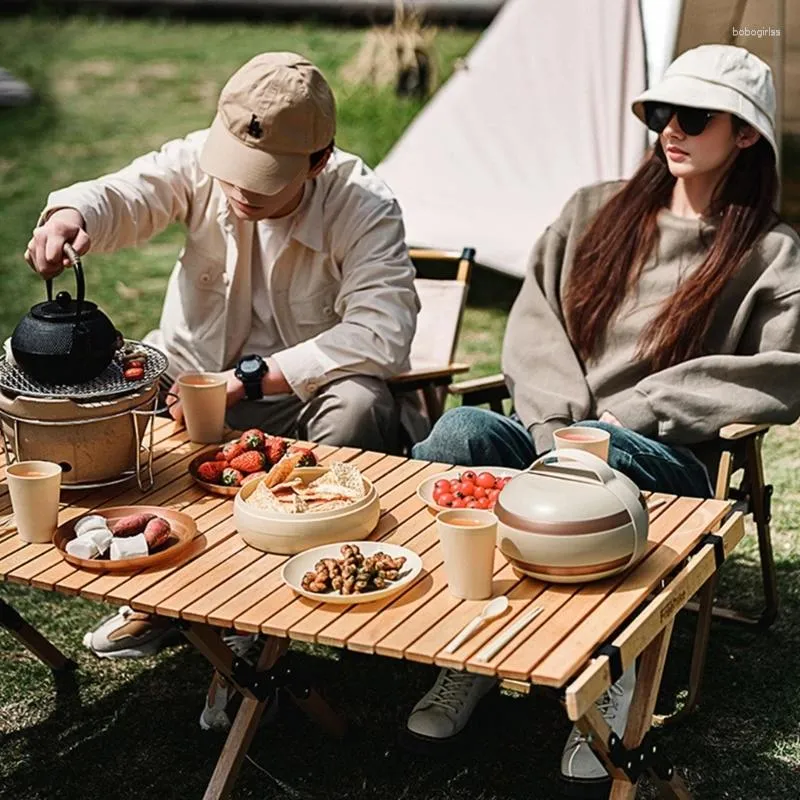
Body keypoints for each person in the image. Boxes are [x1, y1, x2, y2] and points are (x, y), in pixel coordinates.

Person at [405, 44, 800, 797]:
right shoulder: (596, 208)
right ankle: (465, 655)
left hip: (661, 458)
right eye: (659, 113)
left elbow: (783, 370)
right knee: (459, 439)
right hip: (555, 434)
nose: (669, 130)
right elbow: (534, 321)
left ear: (747, 134)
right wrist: (559, 429)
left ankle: (619, 672)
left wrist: (642, 410)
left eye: (693, 116)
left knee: (610, 454)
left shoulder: (771, 254)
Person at [24, 53, 420, 703]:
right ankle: (160, 591)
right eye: (234, 172)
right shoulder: (199, 162)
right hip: (184, 380)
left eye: (263, 181)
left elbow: (382, 330)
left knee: (359, 405)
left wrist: (254, 379)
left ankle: (262, 612)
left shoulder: (363, 202)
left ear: (318, 161)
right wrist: (74, 215)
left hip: (300, 398)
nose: (239, 191)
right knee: (106, 399)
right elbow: (129, 193)